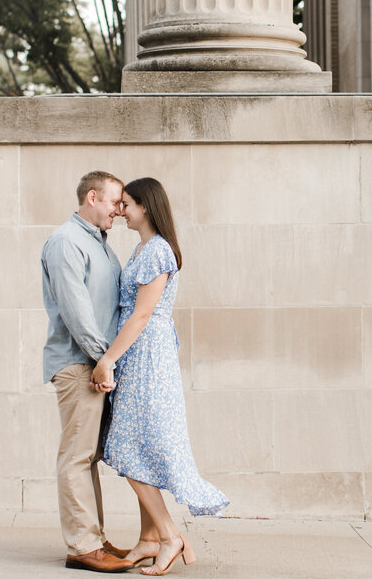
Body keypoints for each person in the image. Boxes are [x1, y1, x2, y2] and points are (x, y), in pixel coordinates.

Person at [94, 177, 229, 576]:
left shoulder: (157, 251)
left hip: (146, 356)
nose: (121, 211)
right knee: (139, 445)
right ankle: (149, 539)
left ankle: (169, 535)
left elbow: (141, 315)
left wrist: (107, 361)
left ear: (147, 208)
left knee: (127, 445)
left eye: (128, 205)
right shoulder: (143, 248)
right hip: (139, 355)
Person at [41, 170, 136, 573]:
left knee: (88, 456)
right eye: (115, 201)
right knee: (77, 457)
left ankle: (93, 538)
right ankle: (82, 547)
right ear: (92, 197)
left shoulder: (99, 245)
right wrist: (104, 360)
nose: (119, 210)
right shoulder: (66, 241)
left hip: (95, 364)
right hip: (81, 364)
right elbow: (76, 313)